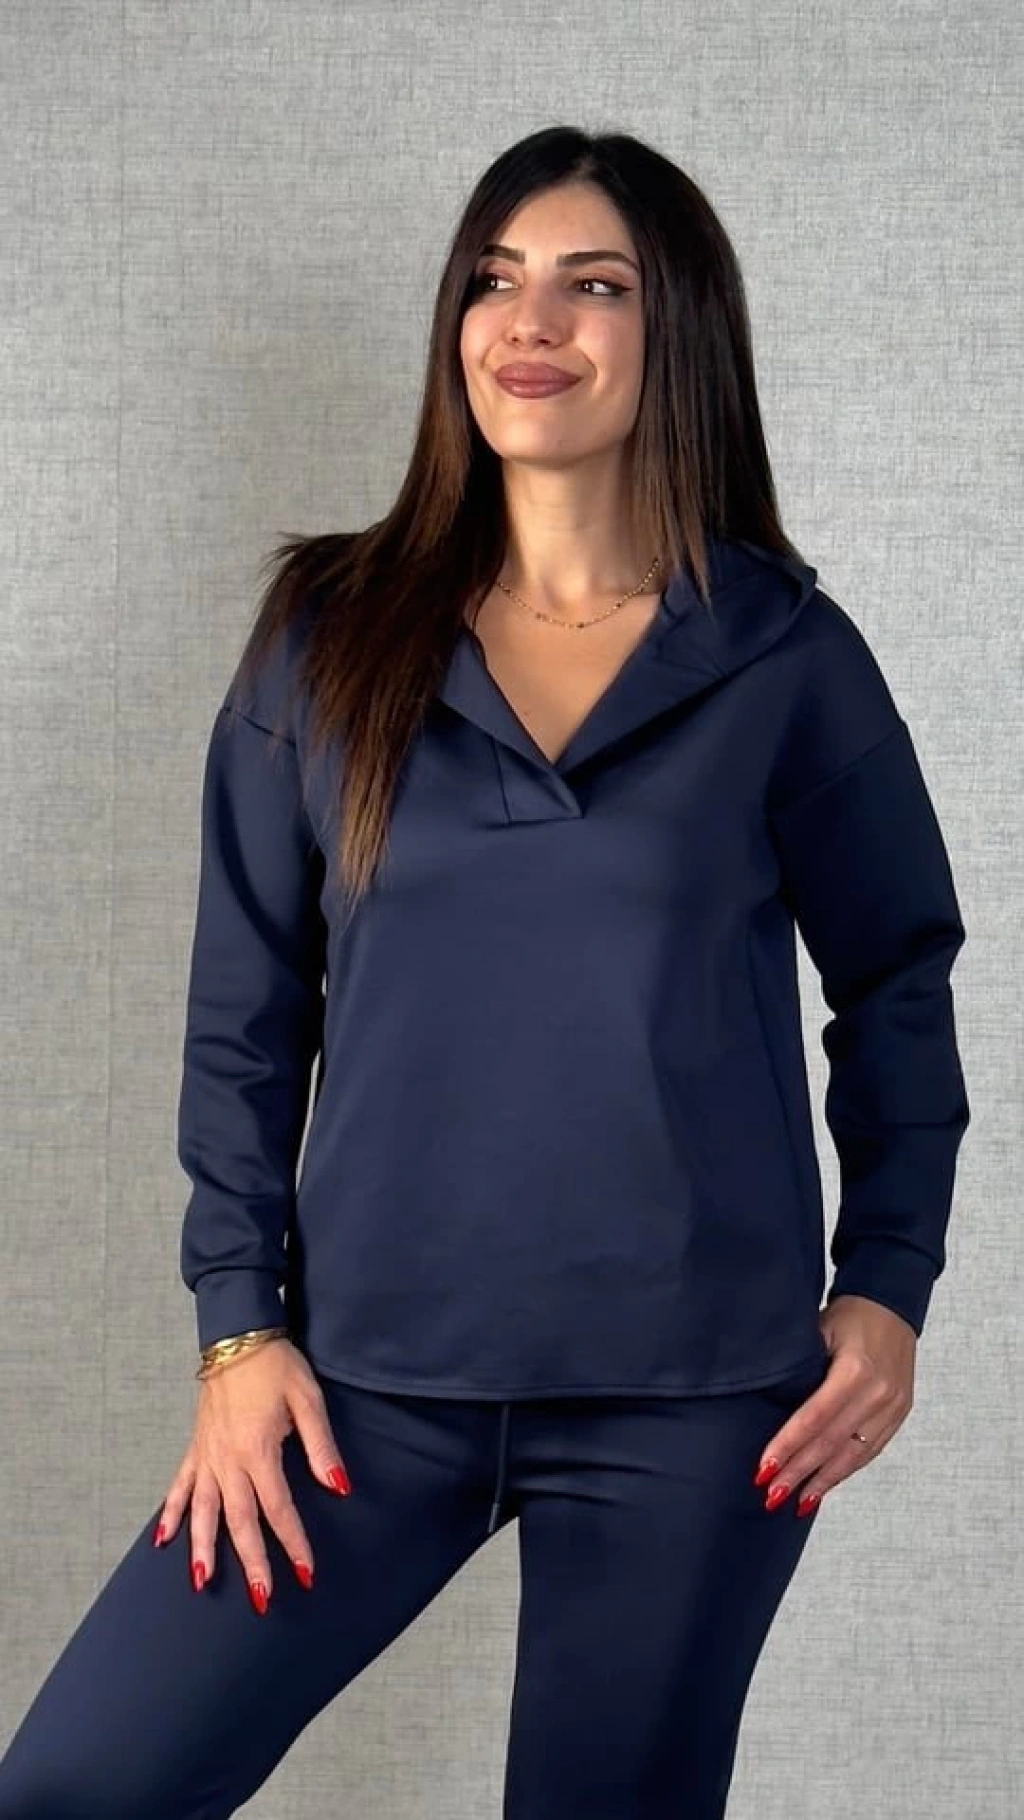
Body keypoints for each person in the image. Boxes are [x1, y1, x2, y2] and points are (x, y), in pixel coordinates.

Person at [0, 123, 970, 1820]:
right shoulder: (327, 636)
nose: (532, 321)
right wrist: (237, 1335)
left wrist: (887, 1284)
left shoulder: (786, 656)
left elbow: (898, 977)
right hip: (359, 1389)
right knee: (78, 1788)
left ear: (678, 330)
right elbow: (244, 1019)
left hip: (697, 1405)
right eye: (495, 280)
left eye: (595, 285)